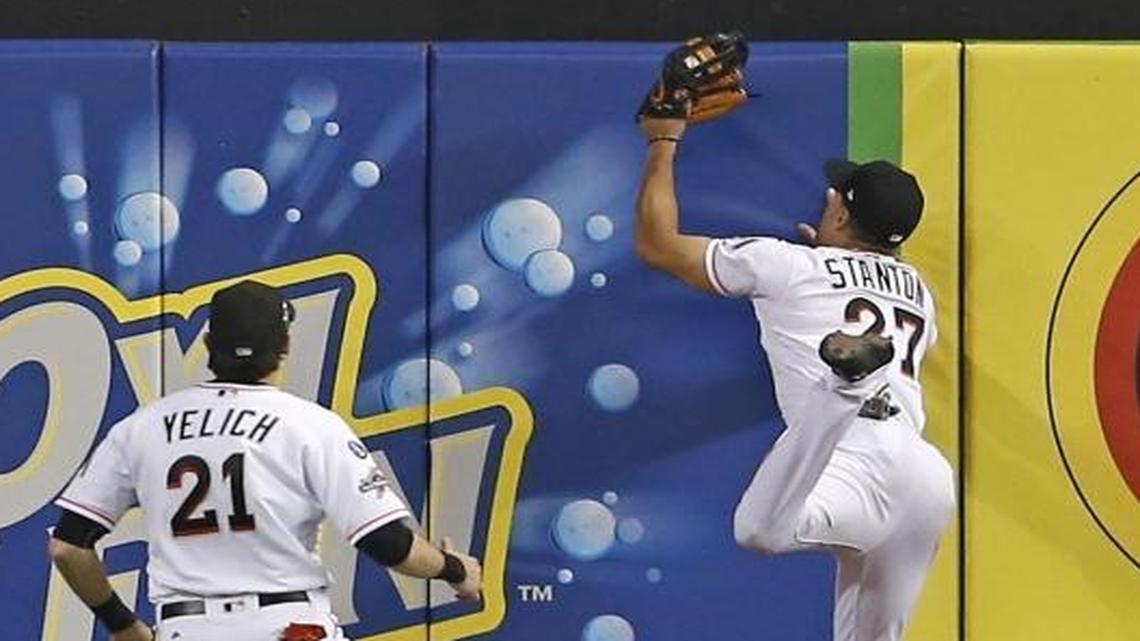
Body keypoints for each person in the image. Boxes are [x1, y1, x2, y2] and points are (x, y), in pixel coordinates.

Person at [635, 117, 955, 641]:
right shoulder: (915, 288)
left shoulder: (786, 265)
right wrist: (829, 253)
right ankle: (849, 382)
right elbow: (863, 274)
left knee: (759, 529)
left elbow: (657, 244)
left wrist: (662, 141)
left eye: (835, 198)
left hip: (850, 459)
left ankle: (844, 386)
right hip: (924, 480)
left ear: (843, 212)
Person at [48, 280, 482, 641]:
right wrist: (454, 568)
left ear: (207, 343)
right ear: (285, 344)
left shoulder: (141, 427)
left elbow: (69, 547)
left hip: (188, 630)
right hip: (286, 626)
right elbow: (389, 545)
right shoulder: (311, 425)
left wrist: (122, 625)